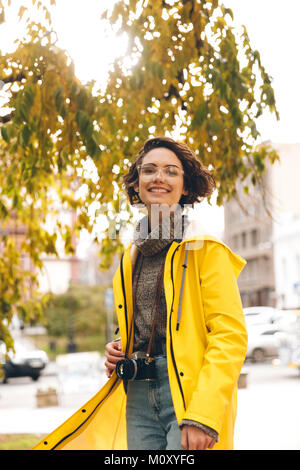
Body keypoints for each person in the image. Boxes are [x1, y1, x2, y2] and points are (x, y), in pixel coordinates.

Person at [32, 136, 248, 451]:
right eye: (149, 170)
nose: (159, 177)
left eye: (171, 171)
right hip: (137, 391)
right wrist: (119, 346)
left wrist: (204, 414)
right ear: (137, 184)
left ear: (186, 187)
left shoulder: (204, 248)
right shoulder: (130, 255)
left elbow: (230, 336)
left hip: (187, 392)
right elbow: (138, 323)